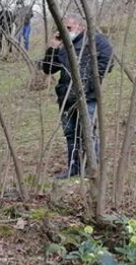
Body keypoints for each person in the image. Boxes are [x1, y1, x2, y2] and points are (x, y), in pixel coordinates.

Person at [41, 13, 113, 179]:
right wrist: (53, 47)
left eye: (68, 28)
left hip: (87, 96)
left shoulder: (95, 40)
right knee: (71, 134)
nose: (64, 31)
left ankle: (92, 171)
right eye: (62, 28)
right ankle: (73, 169)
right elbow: (48, 69)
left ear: (80, 26)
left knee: (88, 133)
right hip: (66, 98)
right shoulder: (65, 46)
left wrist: (89, 83)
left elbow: (107, 61)